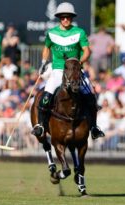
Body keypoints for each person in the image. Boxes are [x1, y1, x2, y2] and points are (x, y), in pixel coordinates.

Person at [31, 2, 105, 140]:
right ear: (59, 17)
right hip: (58, 70)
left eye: (68, 17)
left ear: (72, 18)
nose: (65, 19)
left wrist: (79, 63)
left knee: (91, 95)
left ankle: (94, 127)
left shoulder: (79, 32)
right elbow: (47, 48)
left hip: (75, 71)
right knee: (46, 97)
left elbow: (87, 51)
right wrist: (43, 62)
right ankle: (40, 126)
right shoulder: (52, 33)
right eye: (63, 17)